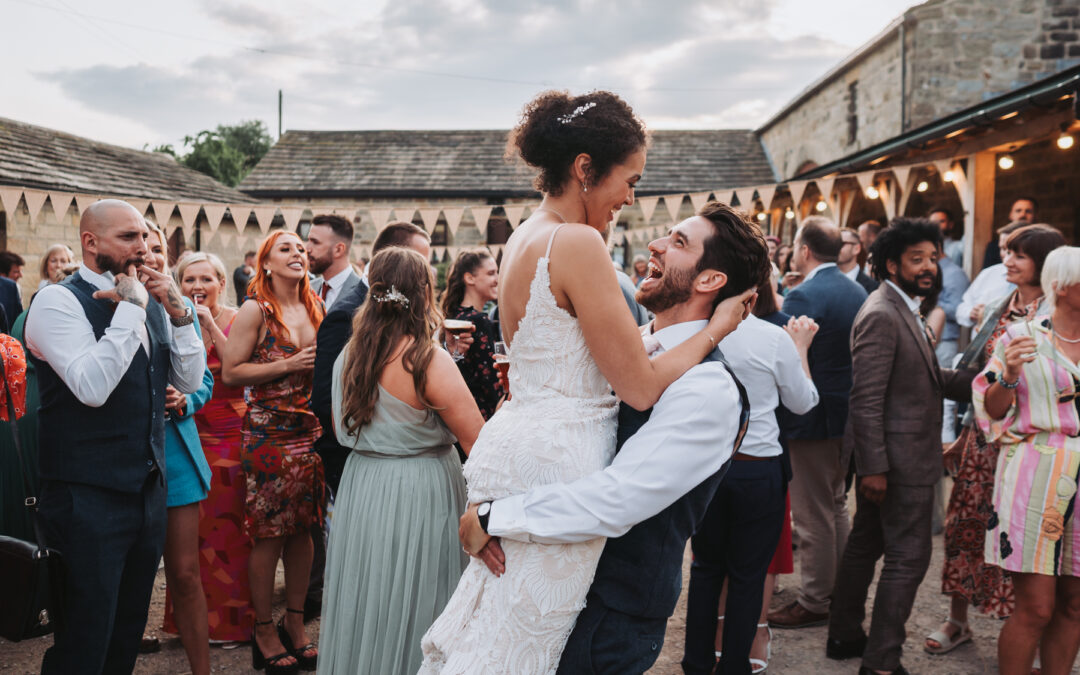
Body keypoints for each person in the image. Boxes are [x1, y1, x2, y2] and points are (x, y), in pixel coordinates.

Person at [418, 91, 753, 674]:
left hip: (521, 448)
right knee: (525, 649)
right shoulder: (577, 242)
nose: (631, 197)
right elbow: (642, 389)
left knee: (499, 638)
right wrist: (715, 330)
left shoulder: (526, 235)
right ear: (584, 169)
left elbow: (580, 358)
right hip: (558, 464)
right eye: (631, 179)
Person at [24, 199, 206, 674]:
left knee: (124, 635)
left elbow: (186, 380)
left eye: (145, 236)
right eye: (129, 237)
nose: (143, 248)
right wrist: (132, 310)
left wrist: (177, 310)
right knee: (84, 641)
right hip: (85, 497)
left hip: (146, 492)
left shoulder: (149, 298)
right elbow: (90, 387)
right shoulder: (57, 301)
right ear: (91, 242)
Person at [318, 247, 485, 675]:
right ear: (425, 293)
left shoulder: (349, 356)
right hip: (421, 488)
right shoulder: (427, 360)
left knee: (370, 598)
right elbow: (480, 441)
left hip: (364, 486)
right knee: (422, 597)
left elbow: (341, 430)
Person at [827, 218, 975, 675]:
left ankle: (845, 635)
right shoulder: (881, 313)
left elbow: (927, 379)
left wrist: (983, 381)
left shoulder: (904, 307)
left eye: (933, 258)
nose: (929, 267)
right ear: (892, 263)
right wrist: (873, 469)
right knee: (909, 559)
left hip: (896, 459)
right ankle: (882, 662)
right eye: (917, 259)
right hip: (896, 462)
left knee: (865, 546)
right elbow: (866, 398)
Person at [928, 224, 1065, 655]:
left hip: (1029, 448)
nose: (1007, 260)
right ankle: (957, 621)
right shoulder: (1002, 306)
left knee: (1032, 542)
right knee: (966, 527)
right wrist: (966, 431)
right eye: (1007, 252)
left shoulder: (1054, 315)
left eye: (1018, 255)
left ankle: (1034, 632)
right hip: (984, 440)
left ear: (1042, 265)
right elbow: (979, 381)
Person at [685, 260, 820, 674]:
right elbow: (804, 402)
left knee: (706, 569)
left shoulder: (693, 334)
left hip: (706, 467)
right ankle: (733, 667)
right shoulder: (772, 338)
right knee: (747, 574)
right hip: (757, 467)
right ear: (757, 294)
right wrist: (800, 349)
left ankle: (696, 663)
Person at [306, 221, 434, 620]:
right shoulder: (346, 315)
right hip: (365, 469)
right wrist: (350, 474)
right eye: (422, 264)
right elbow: (326, 403)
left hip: (396, 466)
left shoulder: (407, 321)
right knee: (377, 578)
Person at [222, 230, 326, 673]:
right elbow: (231, 372)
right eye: (286, 248)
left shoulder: (315, 304)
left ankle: (296, 624)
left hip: (310, 432)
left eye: (302, 248)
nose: (297, 253)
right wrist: (287, 363)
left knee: (304, 533)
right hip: (268, 436)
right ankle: (263, 629)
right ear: (265, 263)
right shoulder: (255, 309)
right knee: (269, 535)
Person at [974, 245, 1080, 675]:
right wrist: (1010, 375)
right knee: (1036, 607)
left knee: (1075, 606)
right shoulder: (1022, 336)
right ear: (1062, 286)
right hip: (1035, 474)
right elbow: (992, 410)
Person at [767, 216, 867, 630]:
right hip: (847, 413)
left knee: (811, 515)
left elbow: (785, 355)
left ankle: (815, 598)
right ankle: (838, 589)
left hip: (813, 416)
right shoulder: (857, 289)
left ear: (804, 251)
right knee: (836, 504)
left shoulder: (805, 295)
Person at [142, 221, 215, 675]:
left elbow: (203, 378)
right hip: (124, 449)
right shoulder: (96, 303)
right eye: (141, 246)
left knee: (186, 573)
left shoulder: (182, 308)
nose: (150, 255)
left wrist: (187, 399)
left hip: (176, 447)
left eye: (157, 248)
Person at [171, 251, 254, 644]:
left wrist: (208, 324)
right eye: (189, 279)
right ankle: (187, 623)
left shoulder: (238, 320)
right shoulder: (172, 318)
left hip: (229, 436)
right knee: (189, 536)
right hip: (187, 435)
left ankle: (231, 623)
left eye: (206, 279)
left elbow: (238, 367)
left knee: (228, 532)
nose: (198, 287)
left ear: (222, 282)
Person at [441, 248, 505, 419]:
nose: (497, 280)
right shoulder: (477, 321)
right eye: (491, 273)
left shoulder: (455, 316)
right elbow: (492, 383)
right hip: (483, 417)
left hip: (461, 415)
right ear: (470, 278)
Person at [956, 221, 1029, 330]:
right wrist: (972, 312)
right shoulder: (988, 274)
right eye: (1002, 249)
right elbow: (961, 309)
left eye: (1011, 250)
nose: (1006, 256)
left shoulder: (1034, 285)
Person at [306, 214, 361, 312]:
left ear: (339, 250)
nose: (307, 249)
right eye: (308, 240)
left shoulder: (363, 294)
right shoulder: (308, 288)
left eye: (315, 242)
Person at [982, 197, 1037, 268]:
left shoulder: (1040, 244)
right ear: (1010, 215)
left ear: (1035, 216)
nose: (1023, 215)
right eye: (1018, 210)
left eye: (1028, 211)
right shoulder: (994, 247)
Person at [838, 227, 879, 295]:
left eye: (842, 243)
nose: (837, 247)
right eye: (835, 243)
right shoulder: (824, 281)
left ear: (856, 249)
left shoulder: (873, 287)